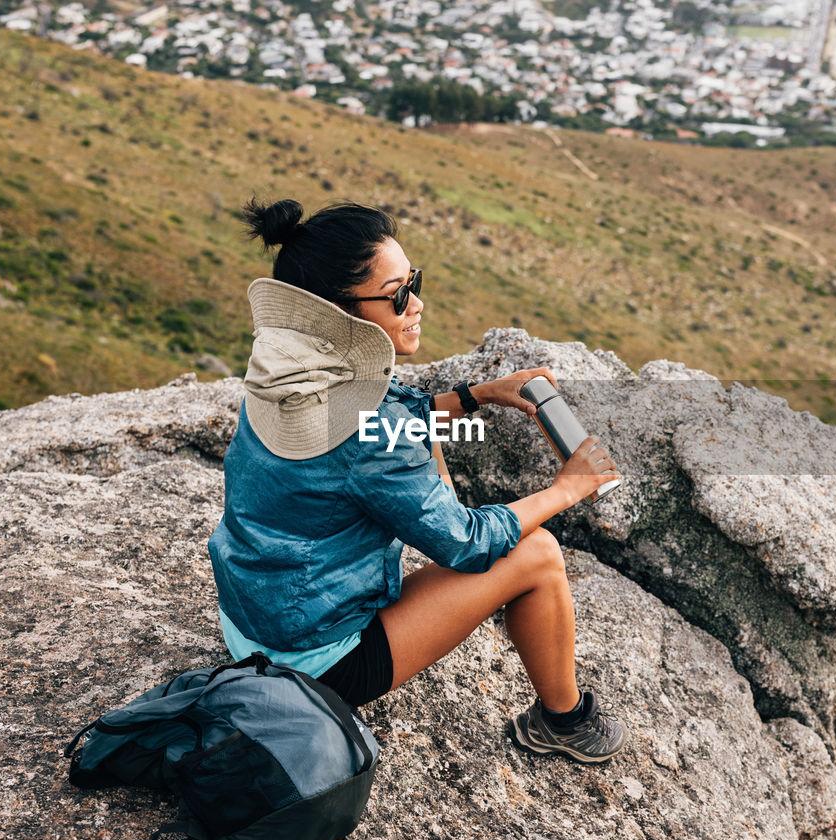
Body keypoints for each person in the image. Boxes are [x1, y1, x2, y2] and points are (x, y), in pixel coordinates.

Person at [207, 199, 628, 764]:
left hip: (250, 625)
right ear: (341, 311)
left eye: (415, 282)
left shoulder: (285, 373)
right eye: (399, 293)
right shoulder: (367, 434)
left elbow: (378, 424)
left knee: (464, 489)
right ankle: (565, 722)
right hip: (313, 662)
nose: (417, 303)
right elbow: (466, 543)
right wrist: (568, 488)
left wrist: (480, 395)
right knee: (538, 553)